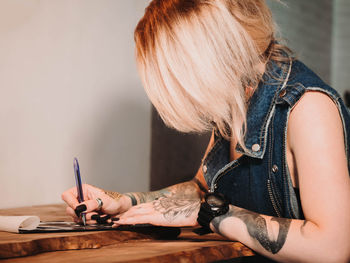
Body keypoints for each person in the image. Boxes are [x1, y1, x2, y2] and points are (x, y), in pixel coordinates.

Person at [62, 0, 350, 262]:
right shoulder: (237, 102)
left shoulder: (307, 109)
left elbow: (333, 248)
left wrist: (212, 214)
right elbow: (201, 189)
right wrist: (124, 202)